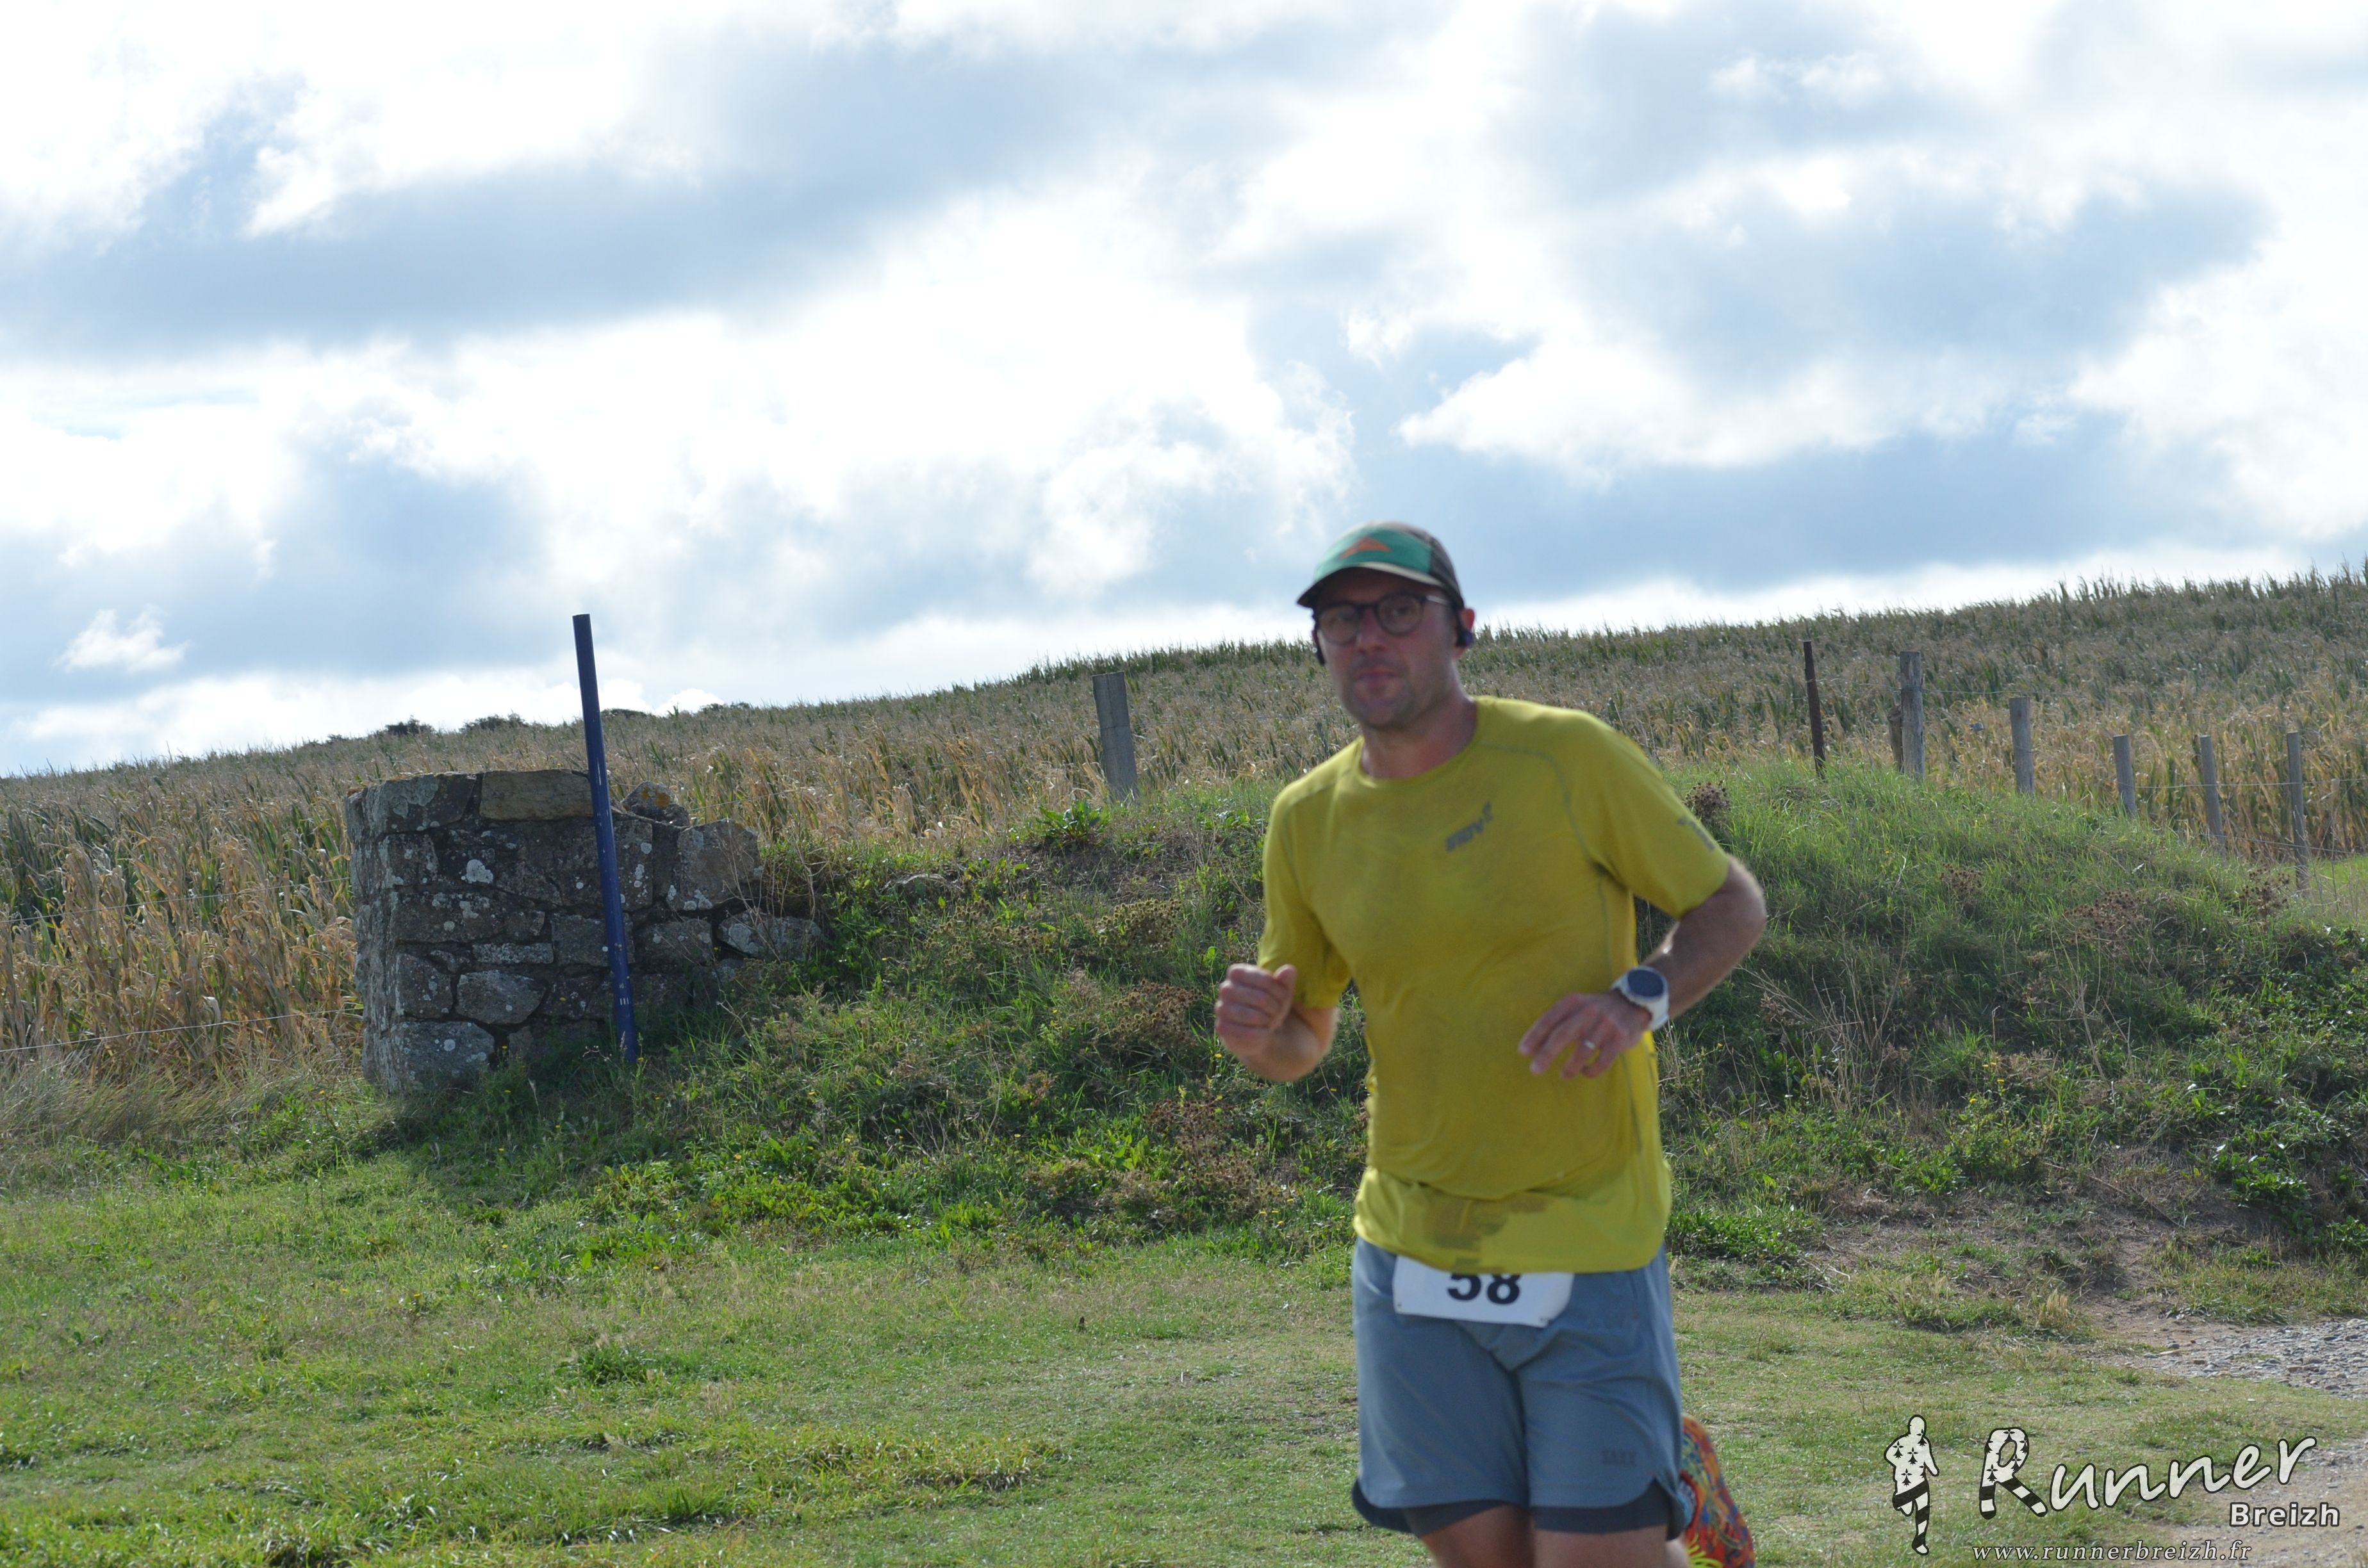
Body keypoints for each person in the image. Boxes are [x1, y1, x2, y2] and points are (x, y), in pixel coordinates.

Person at [1213, 523, 1769, 1568]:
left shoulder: (1566, 757)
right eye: (1342, 619)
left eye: (1398, 611)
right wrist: (1260, 1035)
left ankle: (1657, 1478)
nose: (1369, 637)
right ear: (1319, 647)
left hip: (1586, 1233)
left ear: (1460, 628)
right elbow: (1305, 1035)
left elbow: (1730, 905)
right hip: (1411, 1249)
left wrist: (1636, 1001)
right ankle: (1659, 1480)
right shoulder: (1306, 818)